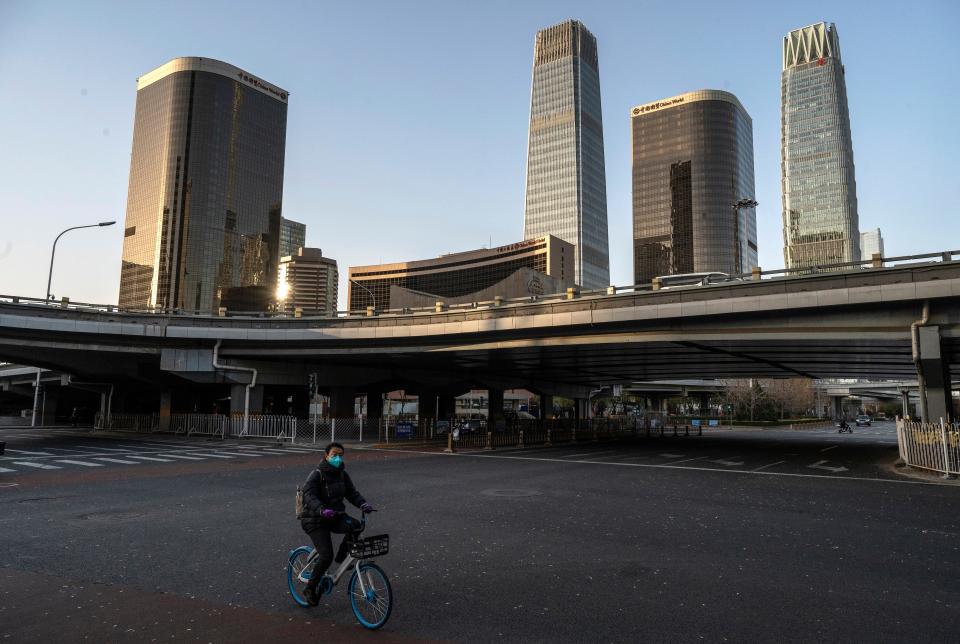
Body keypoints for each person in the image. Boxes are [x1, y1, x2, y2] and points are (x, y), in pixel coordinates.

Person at [299, 442, 373, 606]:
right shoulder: (316, 474)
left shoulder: (342, 474)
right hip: (315, 520)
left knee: (355, 526)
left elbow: (352, 493)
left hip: (334, 516)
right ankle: (310, 588)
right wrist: (321, 509)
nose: (338, 458)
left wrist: (363, 504)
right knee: (326, 555)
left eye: (340, 455)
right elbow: (309, 496)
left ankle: (342, 558)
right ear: (326, 456)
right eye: (334, 454)